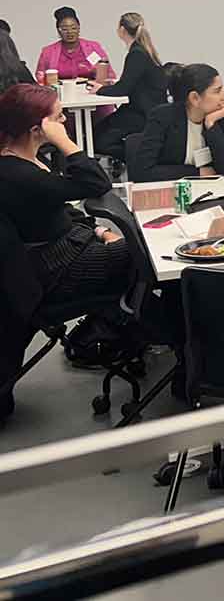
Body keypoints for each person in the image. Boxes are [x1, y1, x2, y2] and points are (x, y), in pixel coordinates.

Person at [0, 84, 130, 418]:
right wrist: (66, 142)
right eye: (57, 116)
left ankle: (131, 331)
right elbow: (95, 184)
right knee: (146, 259)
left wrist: (99, 230)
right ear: (35, 128)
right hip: (56, 268)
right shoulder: (18, 175)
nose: (64, 118)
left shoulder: (23, 162)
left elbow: (57, 211)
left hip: (64, 251)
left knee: (136, 252)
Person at [134, 64, 224, 181]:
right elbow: (143, 172)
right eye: (217, 91)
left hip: (207, 190)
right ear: (195, 98)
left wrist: (211, 124)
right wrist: (196, 173)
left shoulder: (218, 116)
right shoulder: (163, 117)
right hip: (171, 191)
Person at [90, 13, 168, 160]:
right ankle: (140, 155)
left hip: (142, 114)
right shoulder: (144, 50)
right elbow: (130, 83)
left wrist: (99, 90)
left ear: (121, 30)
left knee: (97, 139)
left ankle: (140, 158)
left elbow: (123, 89)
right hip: (148, 110)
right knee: (99, 132)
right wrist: (113, 85)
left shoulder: (136, 54)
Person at [36, 7, 110, 81]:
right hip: (59, 90)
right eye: (65, 29)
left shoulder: (93, 47)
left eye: (73, 28)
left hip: (90, 90)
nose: (69, 32)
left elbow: (109, 74)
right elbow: (40, 78)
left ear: (79, 28)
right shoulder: (48, 52)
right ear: (58, 31)